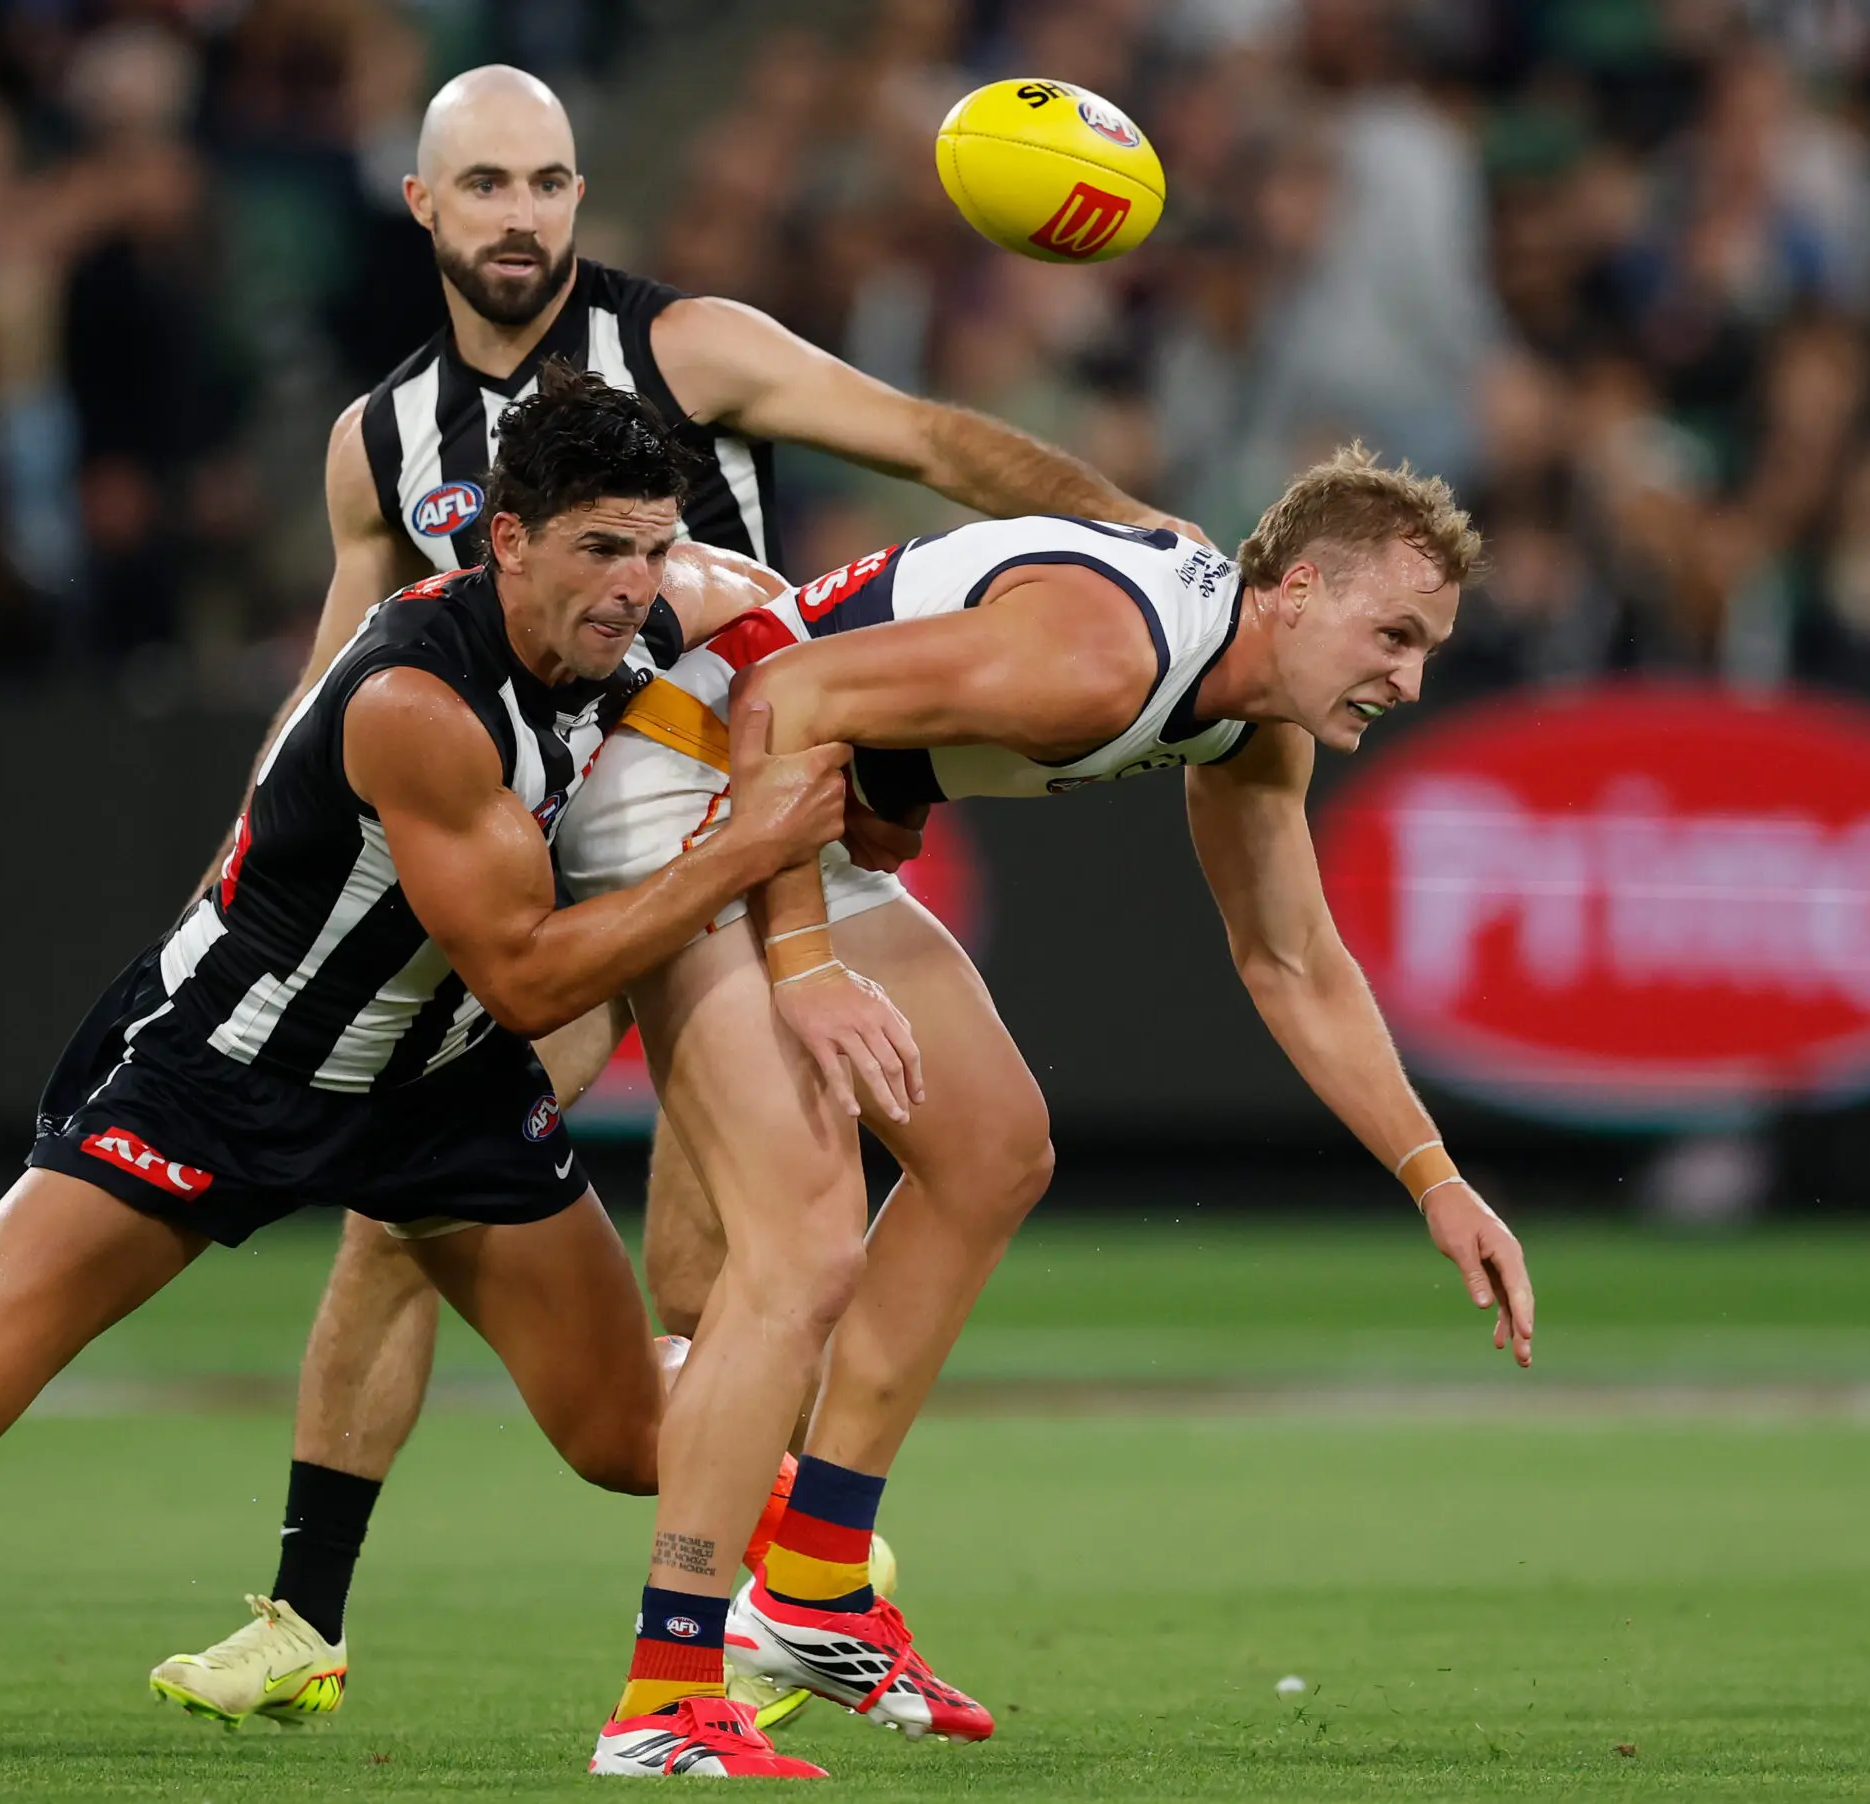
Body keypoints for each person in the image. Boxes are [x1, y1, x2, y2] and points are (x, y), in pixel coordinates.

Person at [150, 61, 1192, 1730]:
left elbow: (925, 440)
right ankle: (308, 1619)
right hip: (521, 866)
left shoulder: (684, 345)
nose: (522, 215)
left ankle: (770, 1611)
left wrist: (1144, 535)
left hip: (714, 837)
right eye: (486, 185)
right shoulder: (378, 442)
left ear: (580, 199)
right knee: (405, 1207)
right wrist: (247, 839)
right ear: (424, 206)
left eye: (551, 183)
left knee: (729, 1277)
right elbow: (341, 672)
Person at [0, 374, 856, 1781]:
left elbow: (797, 617)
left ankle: (819, 1535)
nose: (635, 587)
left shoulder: (666, 599)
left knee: (630, 1443)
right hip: (221, 1072)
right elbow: (532, 981)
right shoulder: (417, 700)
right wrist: (737, 851)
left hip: (439, 1088)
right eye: (602, 549)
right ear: (507, 541)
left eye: (652, 547)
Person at [547, 445, 1537, 1758]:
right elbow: (784, 691)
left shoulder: (1248, 724)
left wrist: (1436, 1177)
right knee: (801, 1245)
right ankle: (665, 1699)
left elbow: (1292, 963)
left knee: (994, 1149)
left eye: (1428, 646)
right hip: (683, 782)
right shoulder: (1104, 657)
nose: (1410, 678)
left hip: (786, 800)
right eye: (1393, 633)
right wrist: (803, 968)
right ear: (1294, 592)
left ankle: (815, 1588)